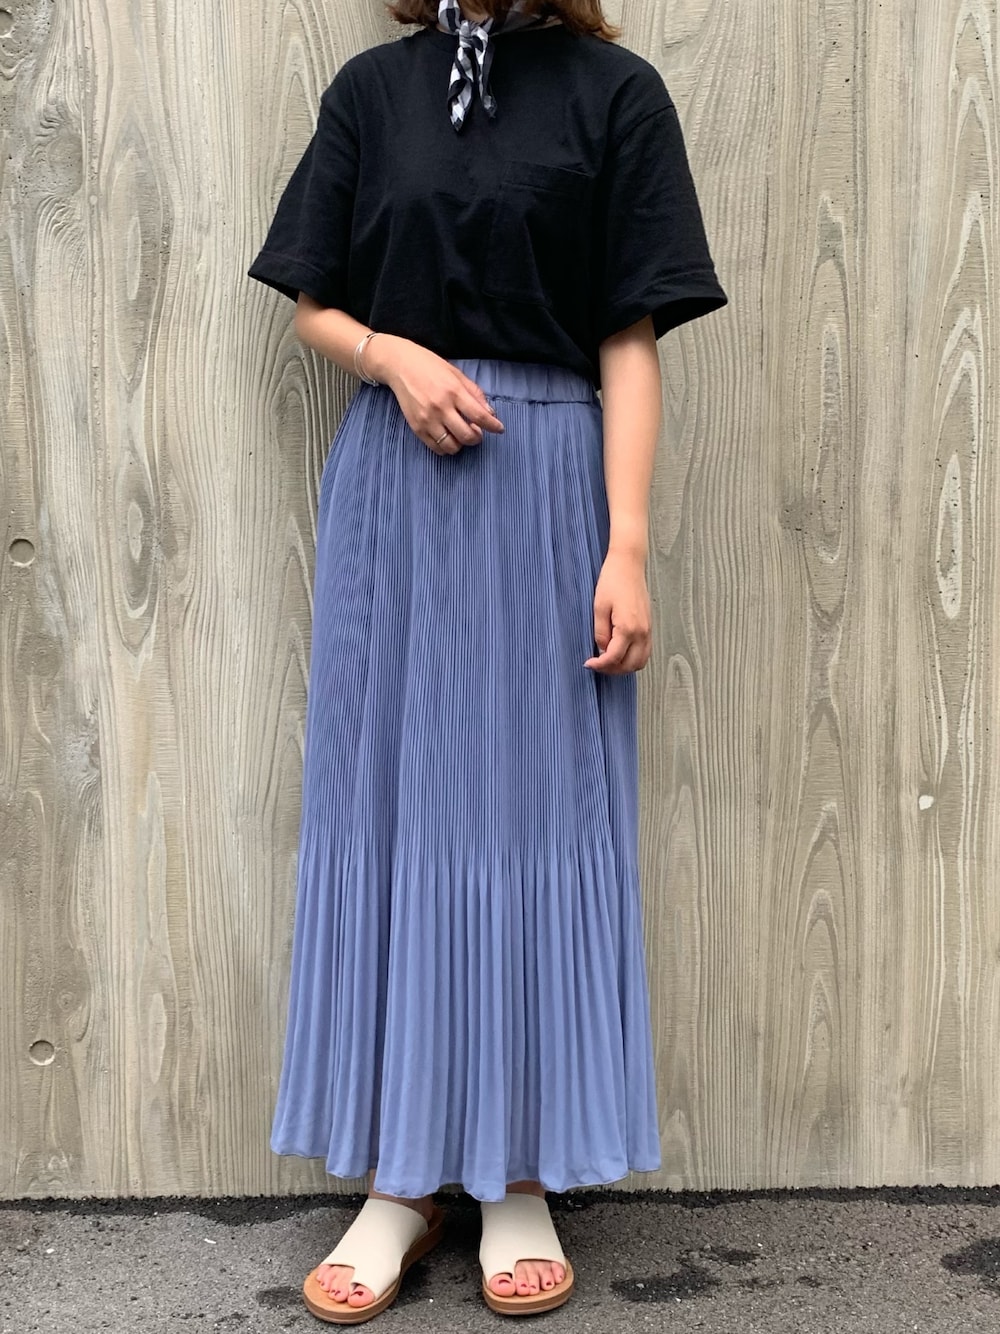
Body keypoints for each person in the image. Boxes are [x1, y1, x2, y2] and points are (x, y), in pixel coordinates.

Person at [247, 0, 728, 1322]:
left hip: (549, 488)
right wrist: (391, 355)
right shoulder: (371, 92)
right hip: (396, 493)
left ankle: (518, 1174)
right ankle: (400, 1179)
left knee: (531, 826)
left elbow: (628, 338)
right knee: (393, 817)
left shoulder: (615, 97)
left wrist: (626, 545)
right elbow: (311, 306)